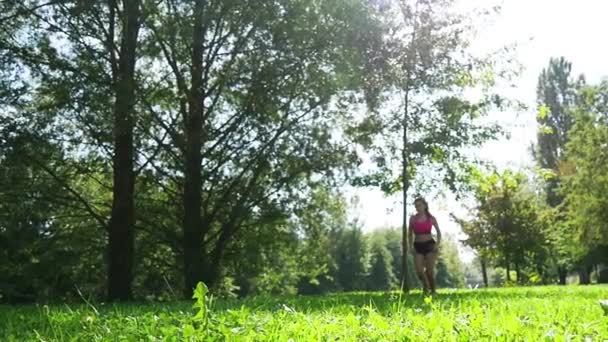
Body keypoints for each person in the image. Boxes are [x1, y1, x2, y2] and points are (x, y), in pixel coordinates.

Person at [408, 197, 442, 295]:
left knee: (429, 270)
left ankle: (433, 290)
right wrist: (410, 246)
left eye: (419, 205)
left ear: (425, 206)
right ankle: (425, 286)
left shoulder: (431, 218)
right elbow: (410, 233)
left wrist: (437, 244)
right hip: (418, 246)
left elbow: (439, 232)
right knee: (419, 271)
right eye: (416, 206)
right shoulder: (413, 218)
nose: (417, 207)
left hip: (430, 246)